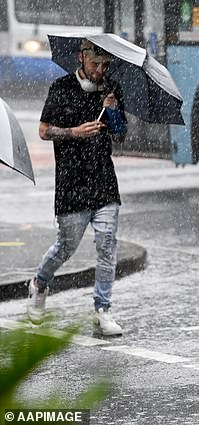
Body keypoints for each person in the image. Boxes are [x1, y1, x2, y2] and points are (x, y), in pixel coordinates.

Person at [26, 40, 127, 336]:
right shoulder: (61, 88)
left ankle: (102, 309)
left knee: (107, 245)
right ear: (82, 58)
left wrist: (113, 112)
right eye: (95, 64)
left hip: (104, 183)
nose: (100, 70)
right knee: (66, 247)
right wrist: (74, 132)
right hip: (72, 184)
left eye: (105, 65)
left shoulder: (111, 89)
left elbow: (120, 136)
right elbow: (44, 131)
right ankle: (39, 284)